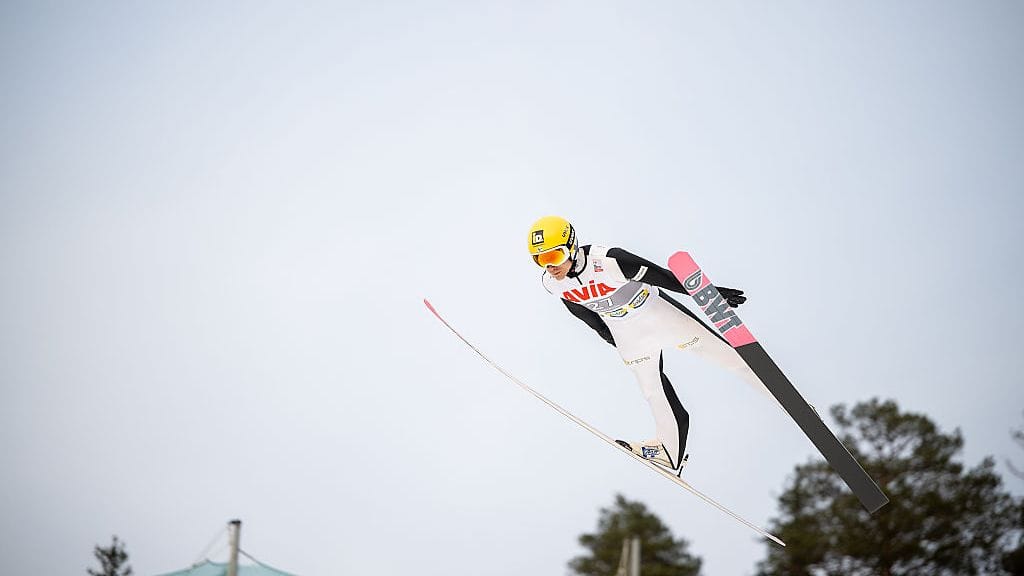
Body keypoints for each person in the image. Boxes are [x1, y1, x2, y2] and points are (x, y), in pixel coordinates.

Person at [528, 215, 768, 472]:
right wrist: (608, 337)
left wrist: (706, 293)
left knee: (725, 357)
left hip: (658, 314)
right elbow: (578, 308)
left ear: (572, 246)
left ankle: (782, 396)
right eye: (540, 259)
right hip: (627, 333)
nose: (549, 266)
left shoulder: (608, 260)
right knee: (652, 389)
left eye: (554, 256)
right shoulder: (552, 283)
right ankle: (669, 451)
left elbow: (661, 276)